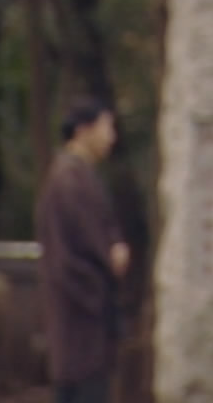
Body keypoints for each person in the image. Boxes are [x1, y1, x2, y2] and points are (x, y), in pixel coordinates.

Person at [36, 97, 130, 403]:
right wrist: (111, 260)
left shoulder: (80, 175)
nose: (111, 137)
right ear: (83, 130)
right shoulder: (68, 180)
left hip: (83, 323)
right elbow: (71, 257)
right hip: (80, 320)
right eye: (107, 127)